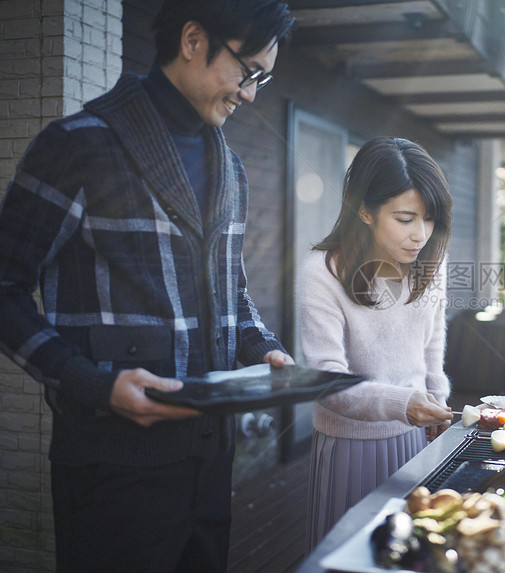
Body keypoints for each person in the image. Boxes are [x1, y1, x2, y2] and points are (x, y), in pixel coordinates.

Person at [0, 1, 294, 571]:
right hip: (112, 469)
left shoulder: (231, 167)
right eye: (248, 71)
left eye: (263, 77)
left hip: (211, 460)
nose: (251, 93)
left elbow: (230, 294)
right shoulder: (79, 144)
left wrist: (264, 349)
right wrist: (91, 382)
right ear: (191, 39)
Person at [300, 136, 455, 550]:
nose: (420, 234)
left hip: (415, 436)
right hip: (350, 446)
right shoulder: (323, 272)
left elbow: (430, 351)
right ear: (365, 211)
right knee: (352, 553)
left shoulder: (430, 265)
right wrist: (405, 403)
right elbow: (326, 381)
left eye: (429, 219)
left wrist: (437, 404)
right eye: (405, 219)